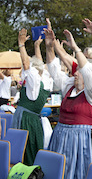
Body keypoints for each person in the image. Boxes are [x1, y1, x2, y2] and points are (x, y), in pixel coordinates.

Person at [45, 25, 92, 179]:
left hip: (81, 141)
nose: (75, 73)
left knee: (78, 173)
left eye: (79, 71)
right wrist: (49, 46)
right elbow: (54, 70)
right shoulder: (69, 86)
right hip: (60, 136)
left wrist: (75, 48)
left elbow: (89, 72)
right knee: (57, 172)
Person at [11, 28, 50, 165]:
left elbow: (27, 64)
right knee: (32, 147)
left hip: (25, 120)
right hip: (34, 120)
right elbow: (38, 63)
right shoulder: (45, 79)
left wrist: (21, 44)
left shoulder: (33, 81)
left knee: (23, 149)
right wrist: (36, 46)